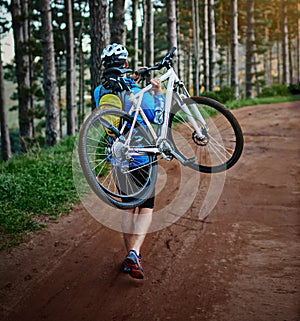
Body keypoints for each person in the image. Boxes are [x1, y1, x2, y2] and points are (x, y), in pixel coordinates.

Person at [94, 43, 165, 279]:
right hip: (143, 156)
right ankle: (135, 252)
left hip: (119, 157)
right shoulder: (139, 92)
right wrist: (158, 93)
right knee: (146, 207)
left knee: (128, 208)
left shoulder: (99, 93)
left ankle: (129, 257)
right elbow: (157, 118)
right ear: (125, 64)